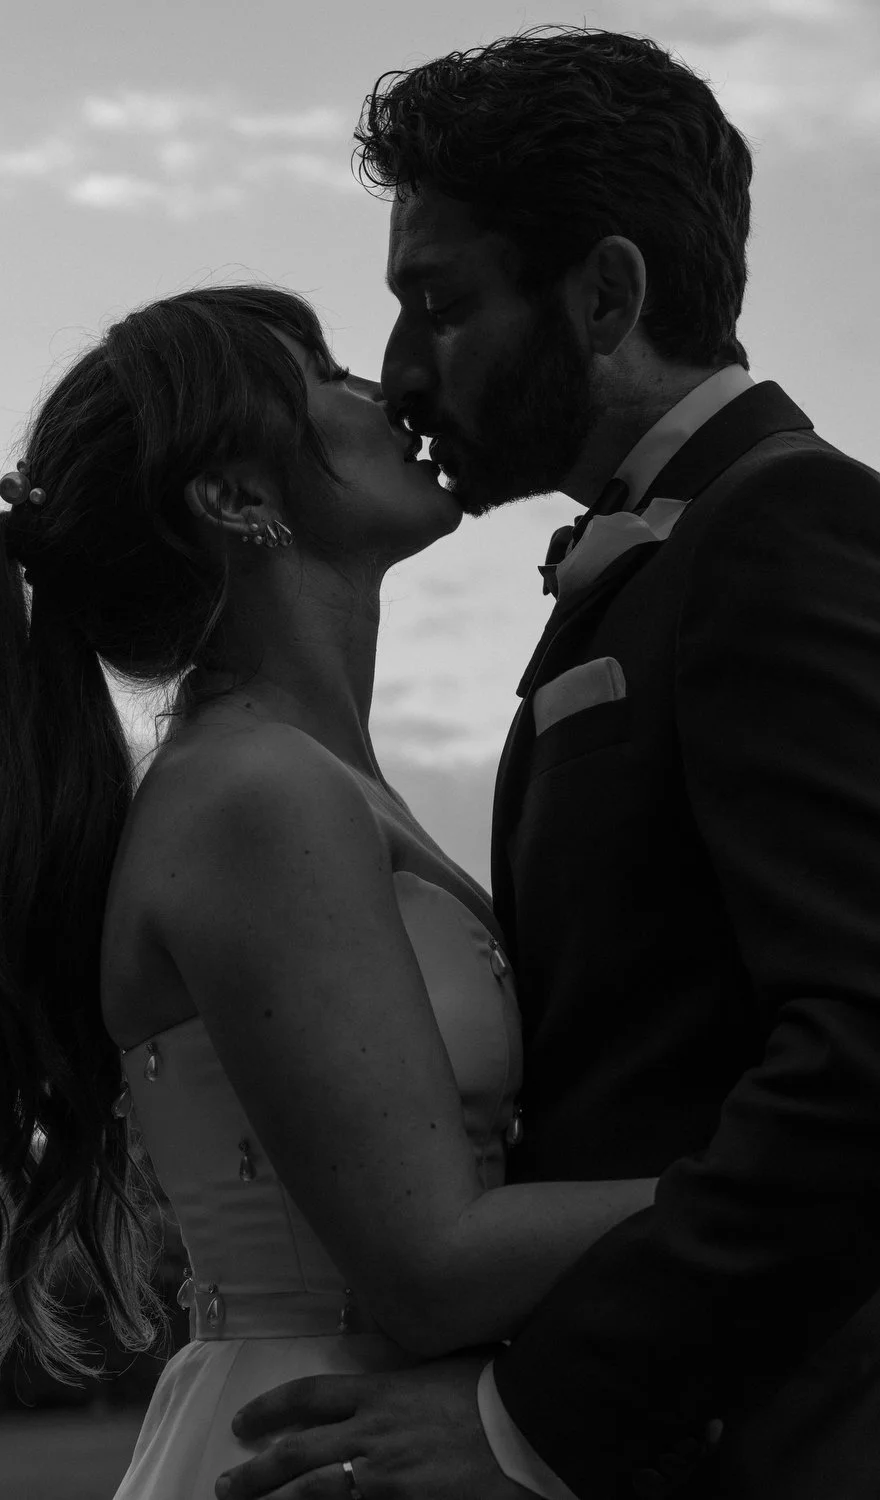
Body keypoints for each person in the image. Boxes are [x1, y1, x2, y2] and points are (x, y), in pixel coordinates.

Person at [216, 27, 880, 1500]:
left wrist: (537, 1423)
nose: (395, 370)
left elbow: (864, 1055)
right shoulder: (656, 563)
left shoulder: (789, 534)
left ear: (607, 296)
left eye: (437, 303)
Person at [0, 284, 656, 1497]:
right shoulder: (255, 797)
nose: (386, 392)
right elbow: (434, 1263)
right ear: (240, 499)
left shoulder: (311, 780)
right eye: (326, 375)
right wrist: (793, 1190)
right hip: (320, 1445)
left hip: (381, 1428)